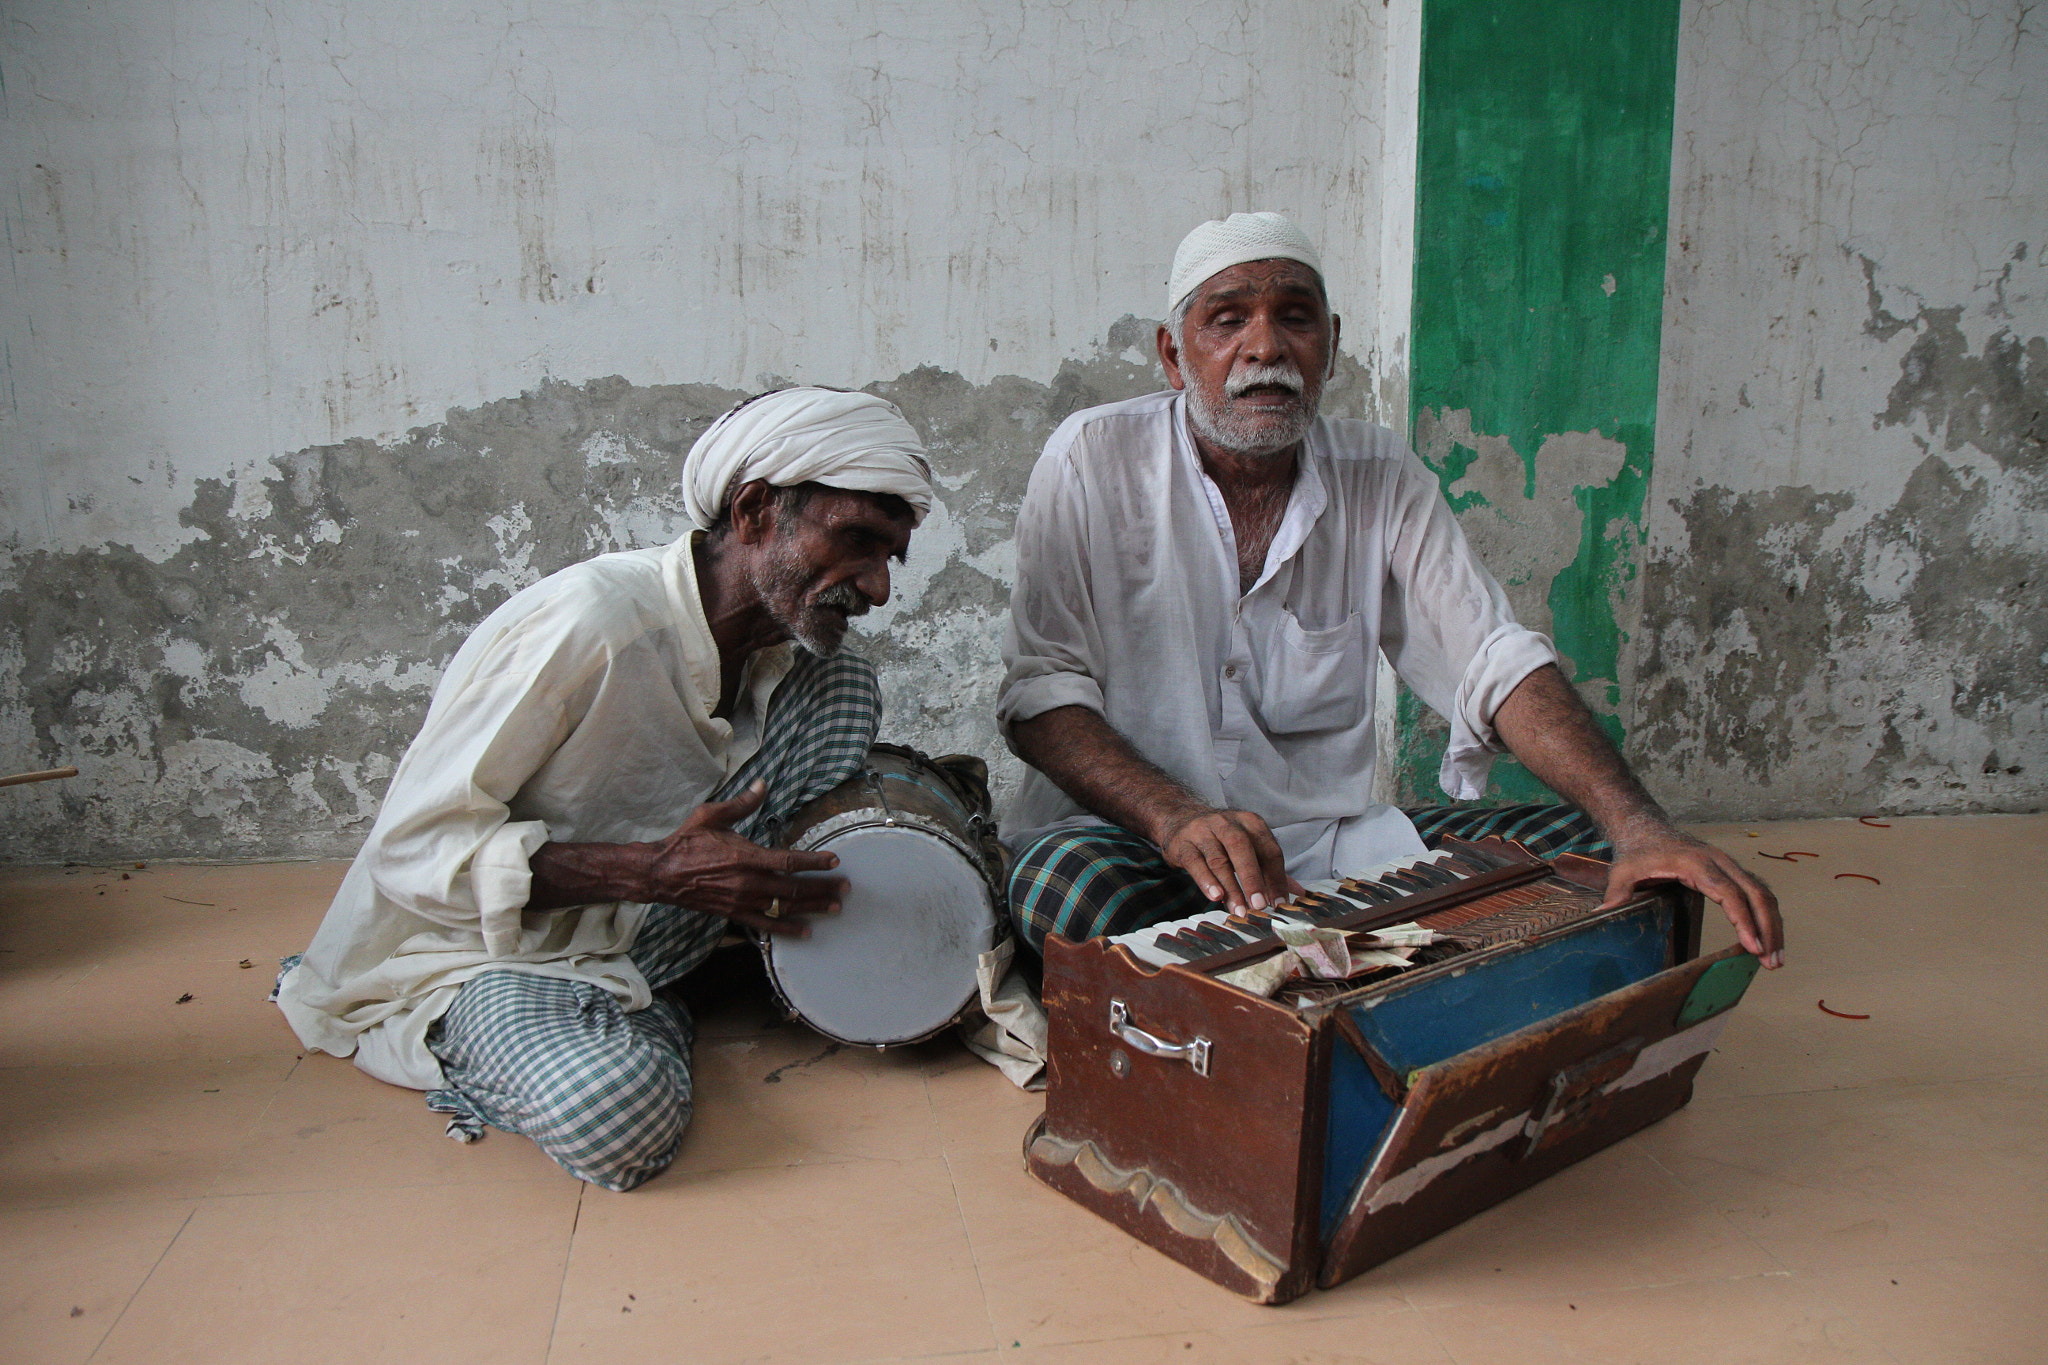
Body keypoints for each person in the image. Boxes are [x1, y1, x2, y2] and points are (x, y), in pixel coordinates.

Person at [998, 212, 1783, 968]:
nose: (1264, 347)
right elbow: (1042, 697)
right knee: (1060, 891)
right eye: (1227, 320)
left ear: (1331, 347)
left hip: (1325, 859)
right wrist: (1176, 817)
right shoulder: (1092, 460)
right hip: (1140, 845)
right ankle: (1374, 964)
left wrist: (1639, 824)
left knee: (1598, 853)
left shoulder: (1380, 477)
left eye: (1295, 318)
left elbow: (1494, 659)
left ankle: (1288, 966)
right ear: (1174, 356)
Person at [275, 387, 934, 1191]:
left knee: (847, 690)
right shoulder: (589, 625)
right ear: (756, 510)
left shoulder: (809, 673)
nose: (875, 589)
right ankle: (619, 1018)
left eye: (889, 557)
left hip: (643, 939)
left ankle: (657, 986)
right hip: (488, 956)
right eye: (857, 541)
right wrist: (651, 872)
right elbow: (410, 850)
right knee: (616, 1110)